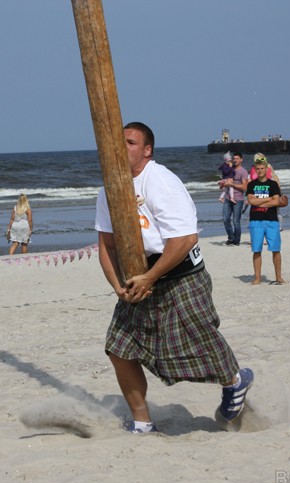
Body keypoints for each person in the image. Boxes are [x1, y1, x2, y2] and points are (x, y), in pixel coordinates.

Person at [95, 122, 253, 433]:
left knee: (199, 338)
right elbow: (106, 245)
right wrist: (118, 287)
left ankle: (235, 381)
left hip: (180, 273)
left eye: (130, 142)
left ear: (147, 150)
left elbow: (185, 240)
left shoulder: (160, 181)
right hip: (138, 278)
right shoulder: (109, 188)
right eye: (119, 142)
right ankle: (142, 422)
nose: (121, 148)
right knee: (119, 349)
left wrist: (150, 278)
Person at [247, 157, 285, 285]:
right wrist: (267, 199)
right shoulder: (251, 184)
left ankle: (278, 277)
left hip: (271, 220)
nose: (260, 170)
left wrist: (260, 203)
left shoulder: (273, 184)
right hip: (255, 220)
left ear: (266, 169)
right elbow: (251, 201)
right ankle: (257, 277)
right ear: (255, 170)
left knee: (276, 249)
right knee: (256, 250)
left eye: (262, 168)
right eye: (257, 168)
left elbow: (276, 201)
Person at [221, 152, 248, 246]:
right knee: (225, 219)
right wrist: (222, 184)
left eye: (237, 158)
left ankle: (236, 240)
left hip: (238, 199)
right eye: (234, 158)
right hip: (227, 198)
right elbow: (225, 181)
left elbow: (244, 187)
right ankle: (231, 237)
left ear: (241, 159)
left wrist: (231, 184)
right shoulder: (229, 169)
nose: (235, 160)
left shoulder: (243, 172)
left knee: (236, 221)